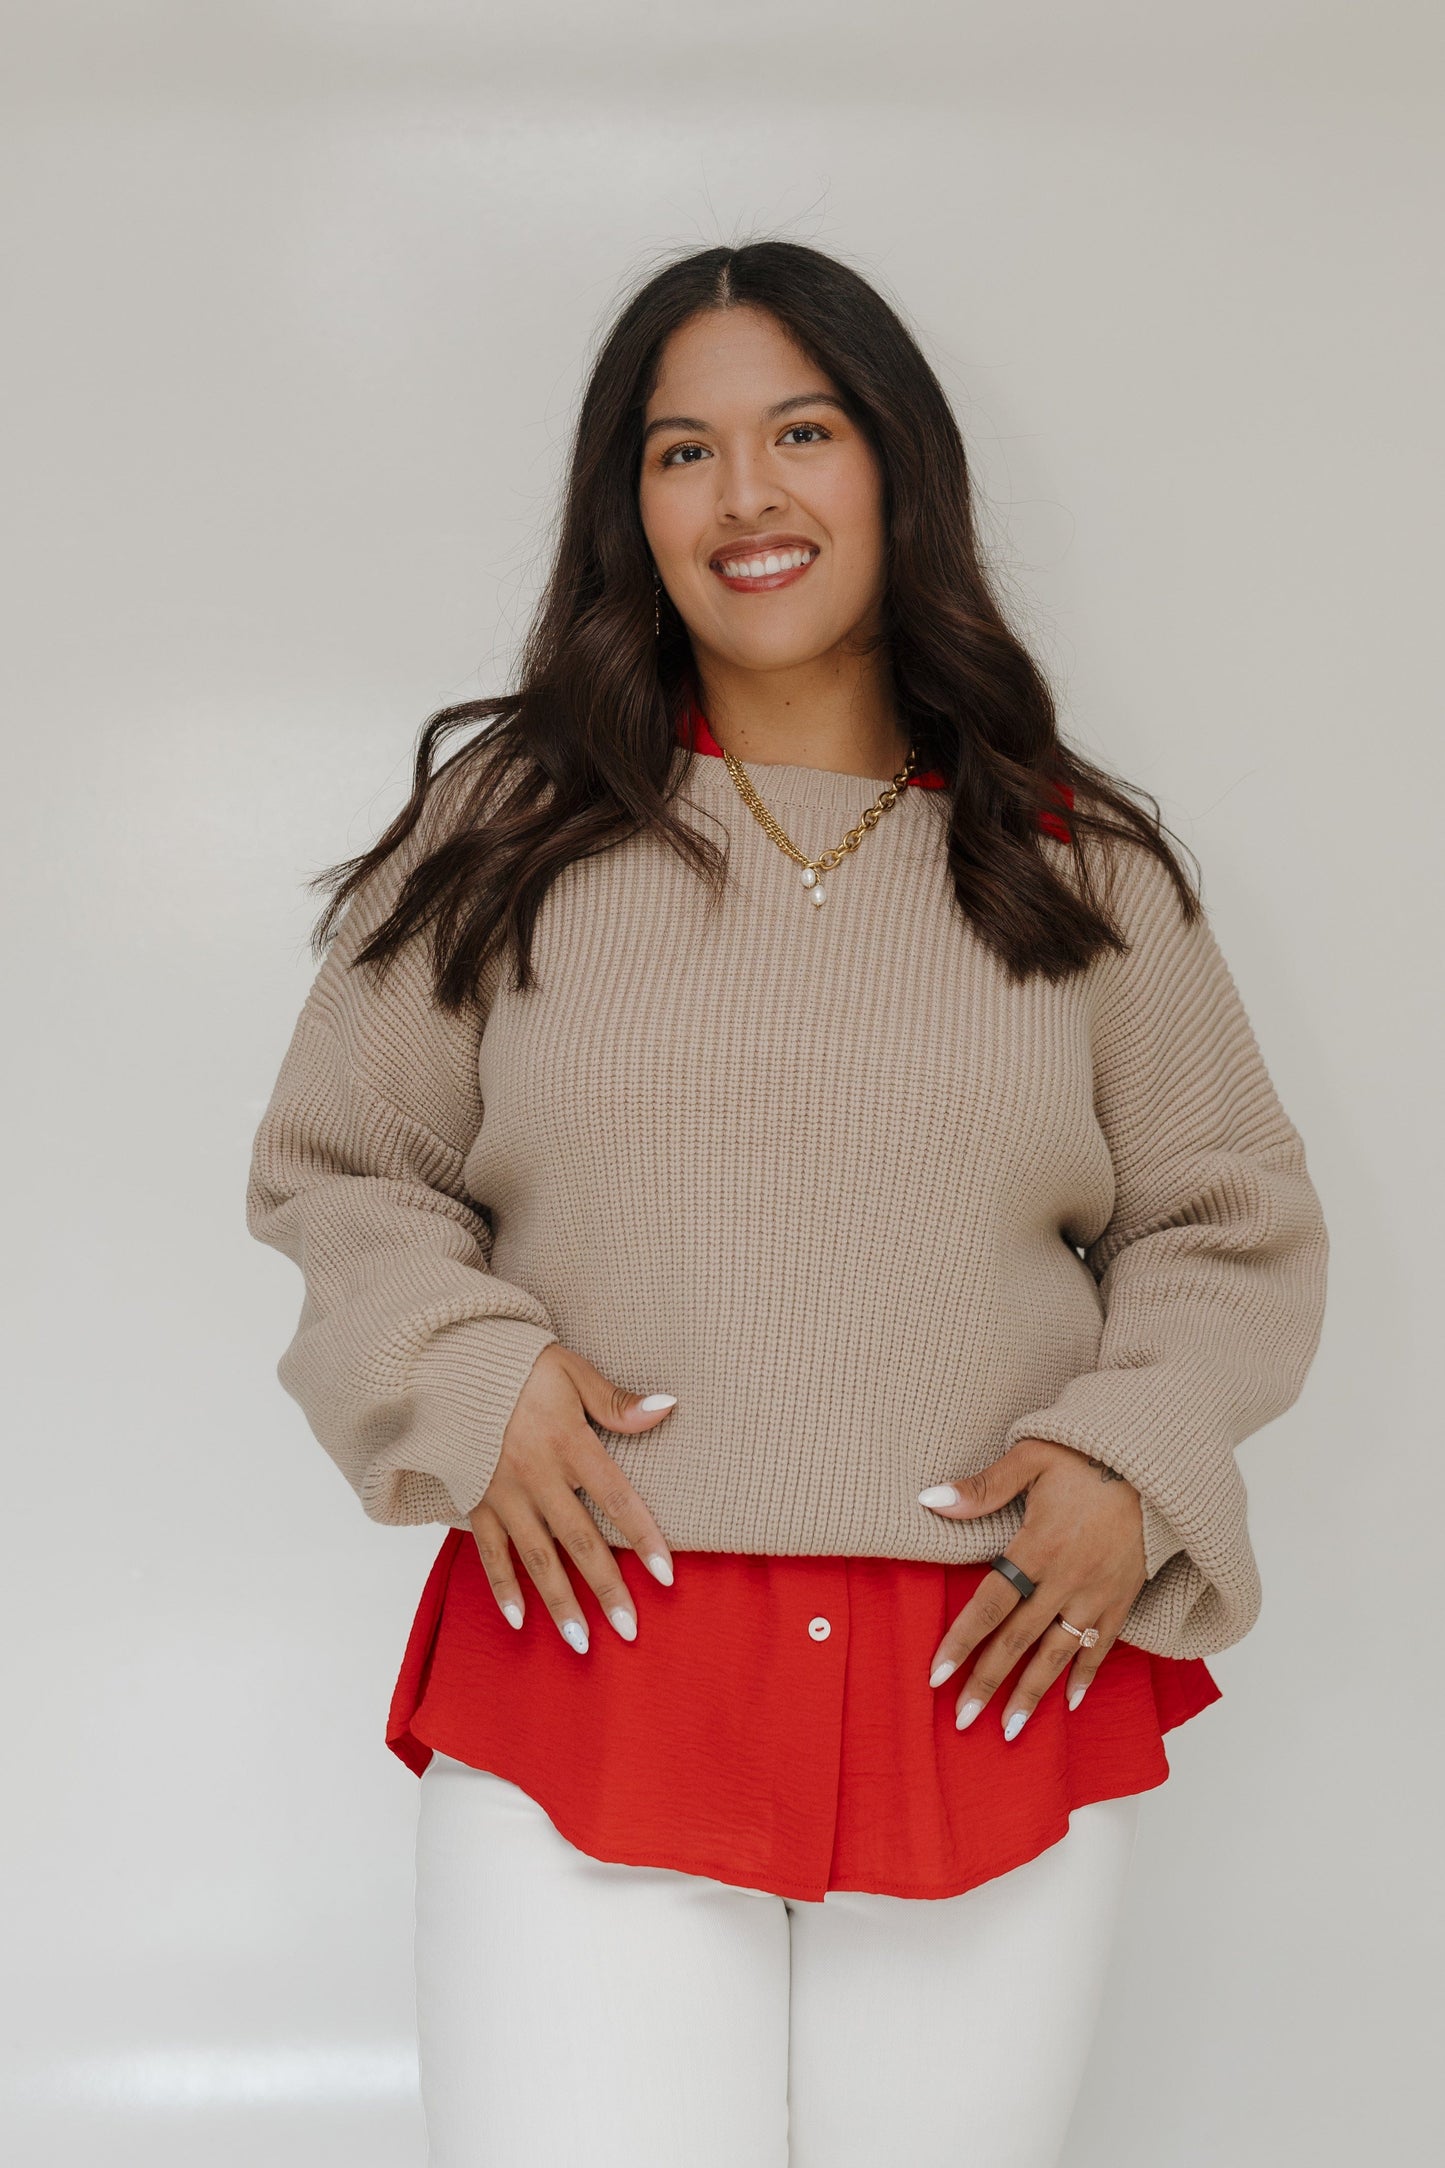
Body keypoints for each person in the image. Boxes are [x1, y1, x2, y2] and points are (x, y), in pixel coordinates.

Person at [245, 240, 1329, 2167]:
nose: (745, 497)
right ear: (627, 509)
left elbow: (1224, 1218)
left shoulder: (1078, 864)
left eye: (800, 433)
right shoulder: (504, 831)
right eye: (683, 451)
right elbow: (344, 1166)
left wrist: (1130, 1448)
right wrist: (466, 1372)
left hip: (987, 1677)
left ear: (894, 470)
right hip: (595, 1656)